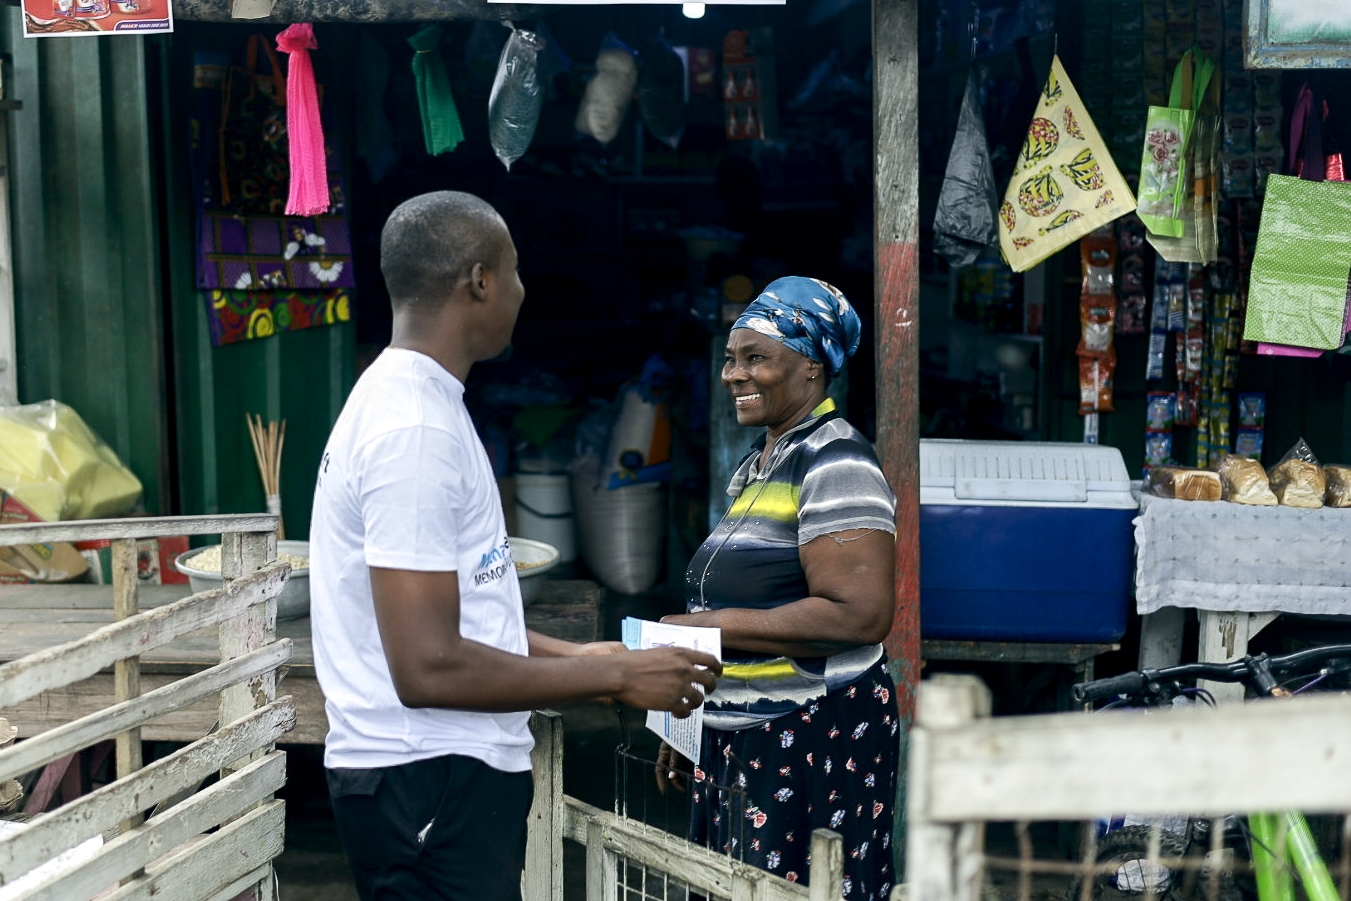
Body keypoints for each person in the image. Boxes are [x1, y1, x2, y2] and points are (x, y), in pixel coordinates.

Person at [308, 190, 720, 901]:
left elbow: (457, 618)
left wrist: (583, 658)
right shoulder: (414, 430)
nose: (523, 291)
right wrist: (617, 678)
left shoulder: (419, 403)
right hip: (426, 779)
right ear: (479, 280)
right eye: (516, 270)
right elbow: (427, 666)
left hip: (435, 777)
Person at [658, 276, 898, 899]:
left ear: (812, 366)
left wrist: (707, 629)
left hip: (812, 737)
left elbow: (860, 615)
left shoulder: (836, 461)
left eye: (756, 358)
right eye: (730, 359)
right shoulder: (763, 463)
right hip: (748, 737)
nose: (733, 375)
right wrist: (689, 720)